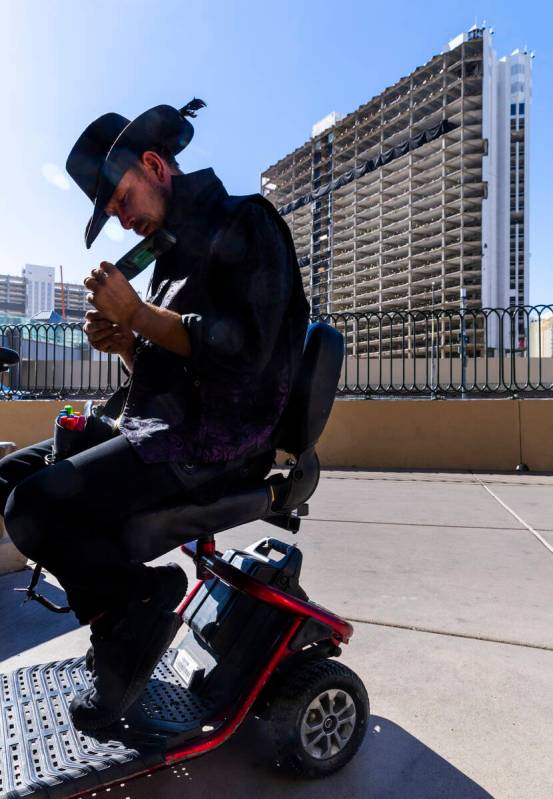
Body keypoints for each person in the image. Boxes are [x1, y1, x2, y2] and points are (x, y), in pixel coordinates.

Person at [0, 99, 309, 731]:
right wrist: (130, 347)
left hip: (222, 446)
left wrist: (140, 317)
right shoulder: (173, 259)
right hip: (170, 434)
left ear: (153, 165)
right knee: (12, 478)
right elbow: (177, 373)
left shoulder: (246, 224)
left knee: (33, 507)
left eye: (119, 201)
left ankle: (138, 604)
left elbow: (246, 355)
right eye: (112, 210)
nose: (121, 218)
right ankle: (119, 617)